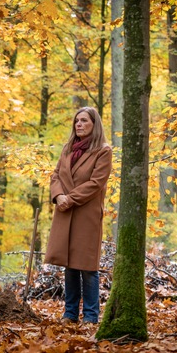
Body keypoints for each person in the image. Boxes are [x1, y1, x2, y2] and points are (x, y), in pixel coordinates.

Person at [45, 106, 112, 324]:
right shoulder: (67, 148)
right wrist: (58, 196)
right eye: (77, 121)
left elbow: (96, 183)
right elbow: (55, 175)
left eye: (84, 121)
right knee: (69, 264)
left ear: (95, 124)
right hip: (64, 212)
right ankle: (70, 313)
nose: (79, 124)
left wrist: (69, 198)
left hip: (86, 214)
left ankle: (91, 316)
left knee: (87, 266)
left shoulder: (103, 150)